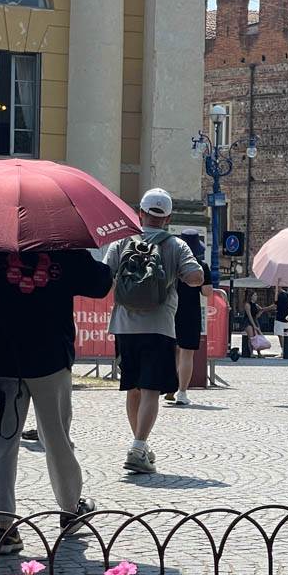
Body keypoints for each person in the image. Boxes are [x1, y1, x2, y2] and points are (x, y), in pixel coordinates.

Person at [0, 248, 113, 555]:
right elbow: (100, 283)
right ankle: (69, 510)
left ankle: (4, 527)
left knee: (1, 442)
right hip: (50, 356)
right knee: (56, 438)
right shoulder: (64, 247)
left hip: (4, 357)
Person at [103, 188, 206, 474]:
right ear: (168, 217)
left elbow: (104, 276)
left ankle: (140, 445)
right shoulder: (176, 245)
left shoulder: (122, 241)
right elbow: (195, 277)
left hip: (124, 326)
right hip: (159, 327)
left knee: (132, 388)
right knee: (151, 389)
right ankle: (138, 446)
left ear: (141, 213)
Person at [164, 230, 209, 406]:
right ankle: (182, 392)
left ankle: (170, 386)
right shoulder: (201, 265)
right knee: (187, 354)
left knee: (173, 350)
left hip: (170, 309)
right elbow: (207, 292)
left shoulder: (173, 262)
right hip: (190, 312)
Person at [245, 292, 271, 356]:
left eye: (256, 295)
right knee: (251, 338)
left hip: (255, 321)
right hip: (248, 321)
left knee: (257, 337)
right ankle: (251, 353)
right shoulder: (247, 304)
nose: (256, 296)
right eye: (255, 295)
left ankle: (259, 353)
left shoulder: (256, 305)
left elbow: (258, 314)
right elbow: (249, 316)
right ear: (251, 296)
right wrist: (254, 326)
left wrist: (262, 311)